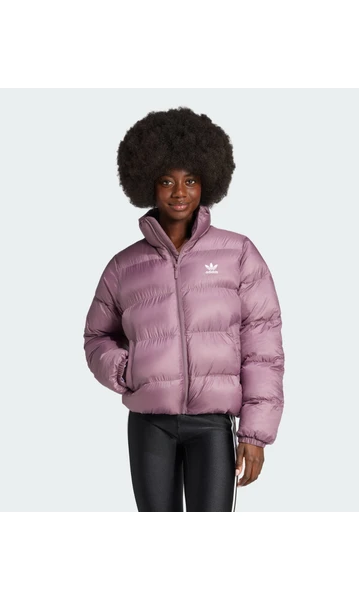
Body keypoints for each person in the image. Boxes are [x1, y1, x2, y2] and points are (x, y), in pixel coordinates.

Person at [83, 106, 285, 512]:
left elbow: (262, 348)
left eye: (190, 180)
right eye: (167, 181)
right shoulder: (124, 266)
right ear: (148, 184)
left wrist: (255, 434)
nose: (179, 192)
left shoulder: (237, 253)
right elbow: (96, 336)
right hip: (149, 424)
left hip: (213, 425)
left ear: (207, 181)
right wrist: (126, 369)